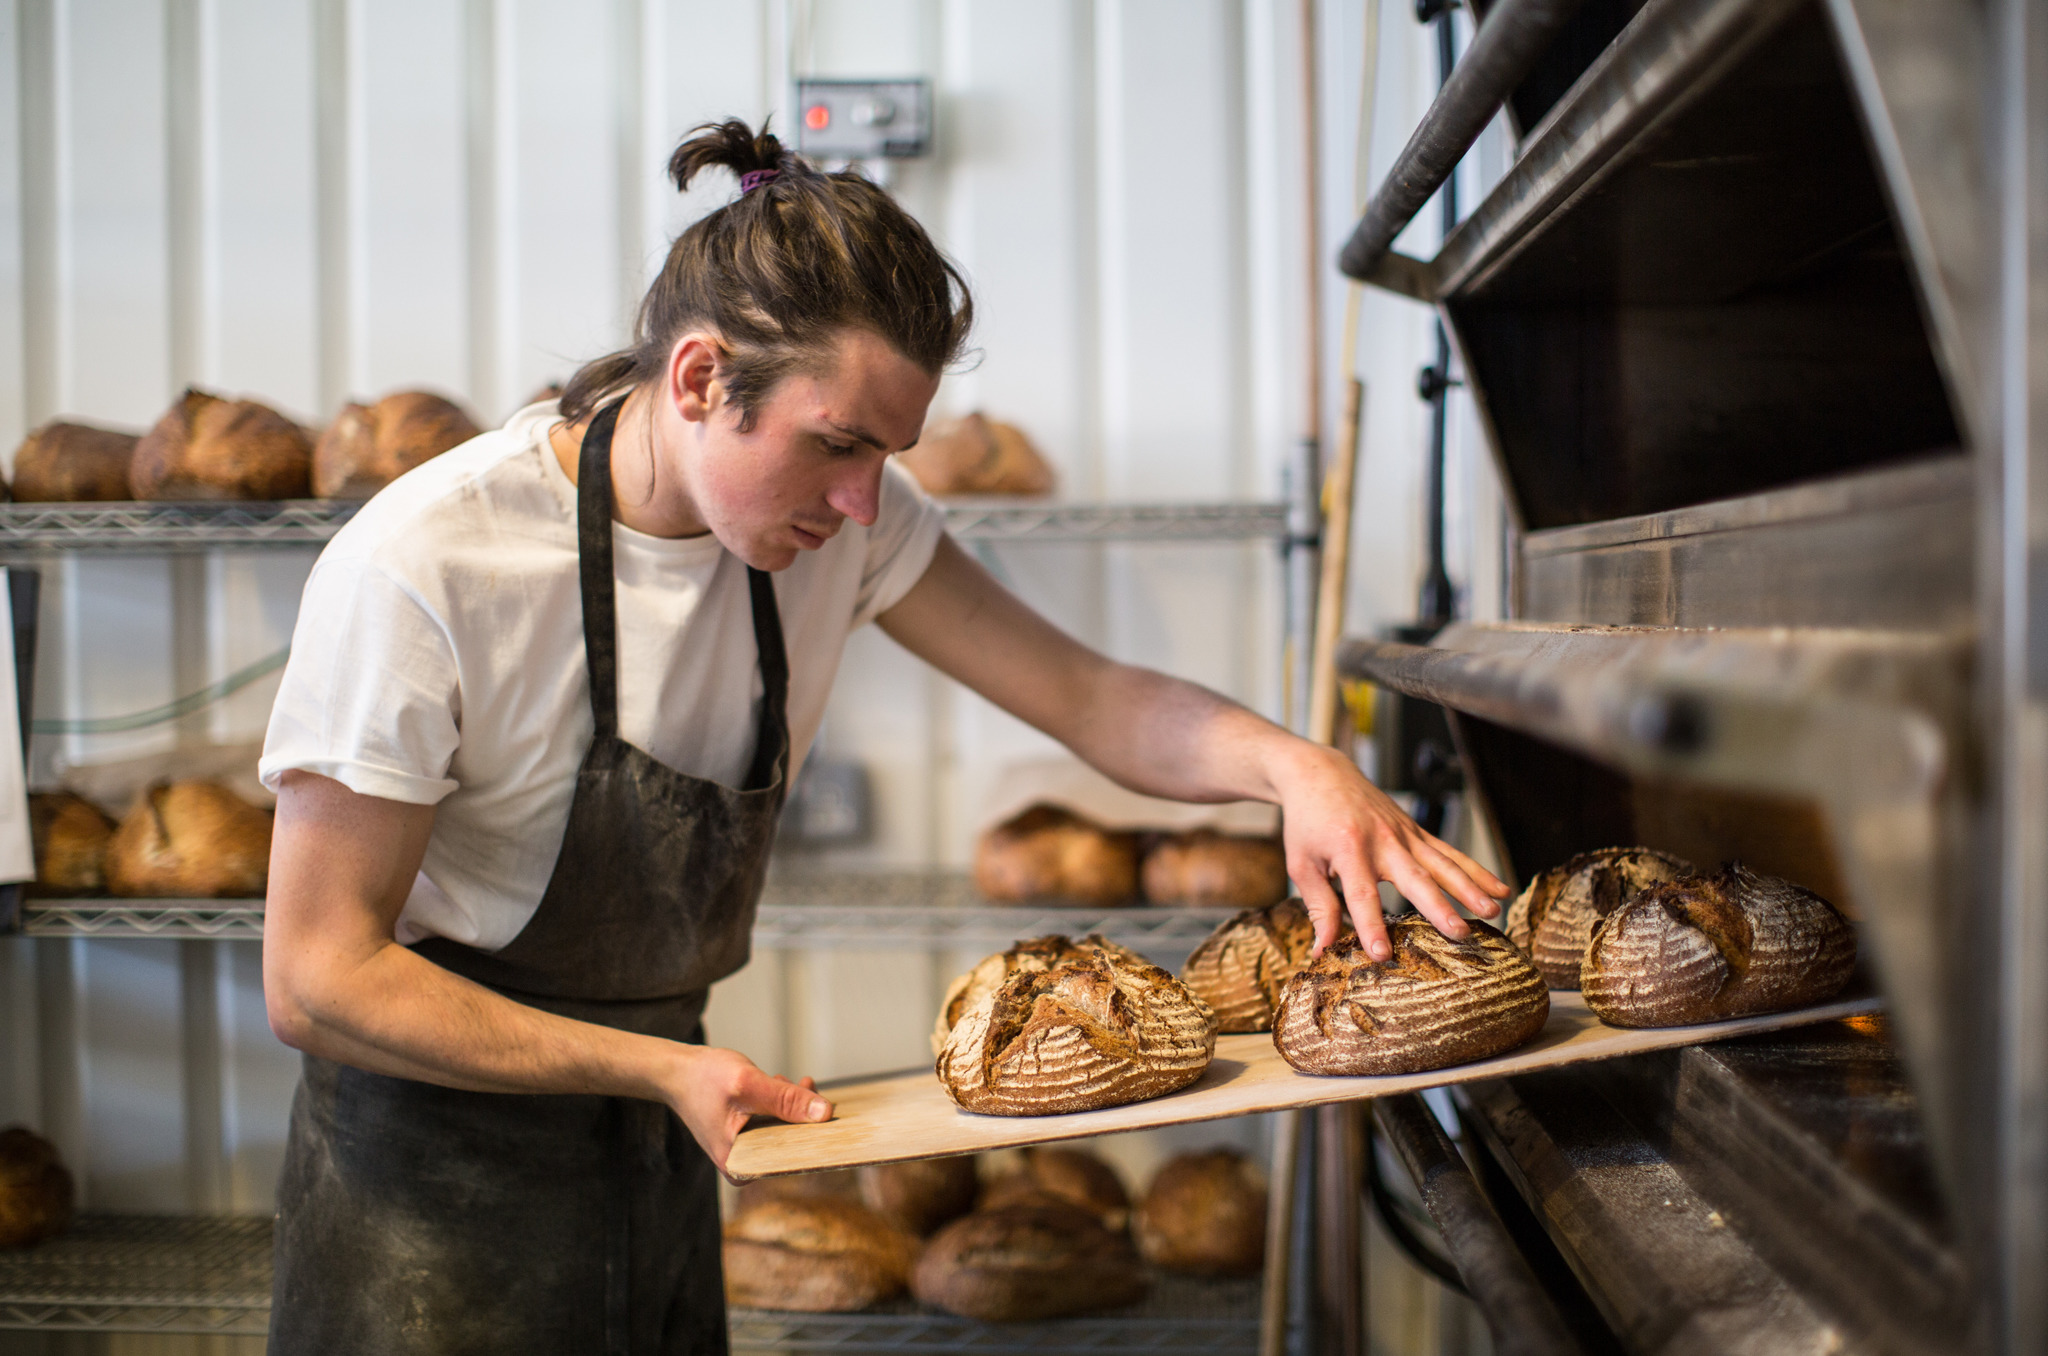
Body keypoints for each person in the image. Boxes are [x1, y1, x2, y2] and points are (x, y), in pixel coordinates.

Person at [258, 119, 1506, 1355]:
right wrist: (649, 1070)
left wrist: (1297, 767)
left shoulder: (843, 525)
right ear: (698, 380)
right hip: (425, 1191)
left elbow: (1088, 698)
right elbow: (319, 979)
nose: (863, 502)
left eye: (889, 455)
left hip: (666, 1144)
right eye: (836, 445)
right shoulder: (427, 566)